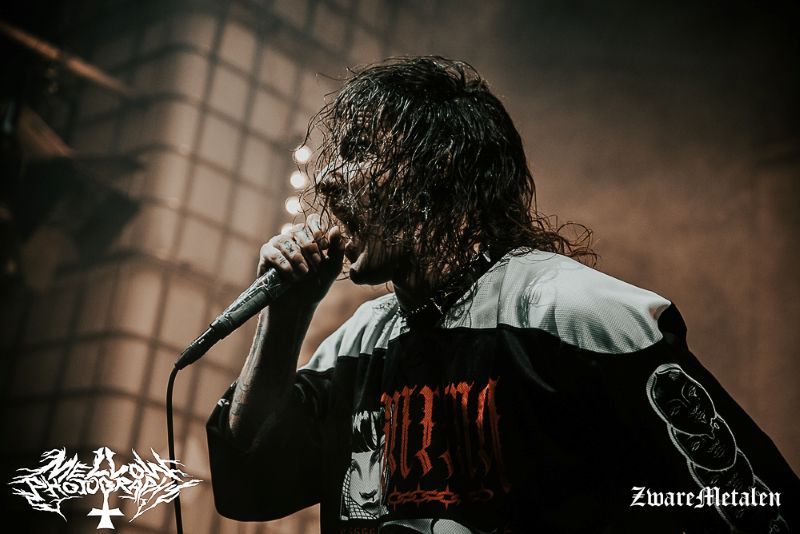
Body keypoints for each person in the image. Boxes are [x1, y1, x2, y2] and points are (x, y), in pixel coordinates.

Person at [206, 56, 798, 533]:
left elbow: (749, 500)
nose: (329, 178)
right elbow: (251, 479)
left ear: (437, 169)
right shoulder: (359, 342)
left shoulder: (578, 316)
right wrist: (285, 319)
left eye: (360, 151)